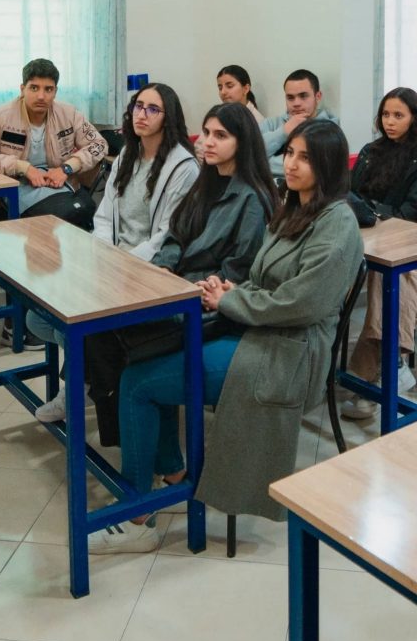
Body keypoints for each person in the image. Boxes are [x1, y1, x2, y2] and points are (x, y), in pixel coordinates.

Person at [89, 120, 362, 554]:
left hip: (288, 354)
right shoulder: (293, 208)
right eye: (290, 152)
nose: (291, 163)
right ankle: (172, 474)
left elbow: (302, 303)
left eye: (305, 157)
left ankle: (139, 511)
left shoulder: (337, 223)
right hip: (258, 330)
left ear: (328, 166)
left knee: (138, 384)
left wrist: (231, 302)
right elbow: (262, 279)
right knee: (139, 364)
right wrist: (232, 291)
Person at [31, 82, 198, 422]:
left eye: (153, 109)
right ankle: (96, 374)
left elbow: (166, 233)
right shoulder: (128, 153)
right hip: (111, 261)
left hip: (148, 270)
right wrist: (104, 254)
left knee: (78, 326)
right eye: (139, 106)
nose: (142, 114)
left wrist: (122, 265)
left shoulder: (183, 167)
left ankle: (80, 387)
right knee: (39, 318)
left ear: (169, 118)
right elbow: (105, 211)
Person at [0, 57, 107, 346]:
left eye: (48, 89)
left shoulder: (68, 114)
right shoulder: (0, 117)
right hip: (14, 192)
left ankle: (64, 309)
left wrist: (68, 167)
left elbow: (99, 144)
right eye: (34, 88)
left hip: (58, 186)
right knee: (48, 231)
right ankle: (19, 320)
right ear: (22, 88)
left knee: (80, 219)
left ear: (56, 90)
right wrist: (21, 167)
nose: (41, 95)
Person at [340, 87, 417, 420]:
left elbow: (410, 212)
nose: (390, 121)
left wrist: (374, 211)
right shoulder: (371, 151)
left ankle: (373, 372)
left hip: (407, 246)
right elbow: (350, 196)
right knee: (378, 273)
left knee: (391, 278)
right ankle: (389, 363)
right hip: (370, 238)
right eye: (386, 114)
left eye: (398, 115)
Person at [259, 69, 339, 179]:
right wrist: (283, 132)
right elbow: (247, 154)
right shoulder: (271, 124)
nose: (296, 103)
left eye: (303, 96)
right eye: (290, 97)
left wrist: (260, 163)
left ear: (318, 96)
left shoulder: (330, 128)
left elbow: (316, 167)